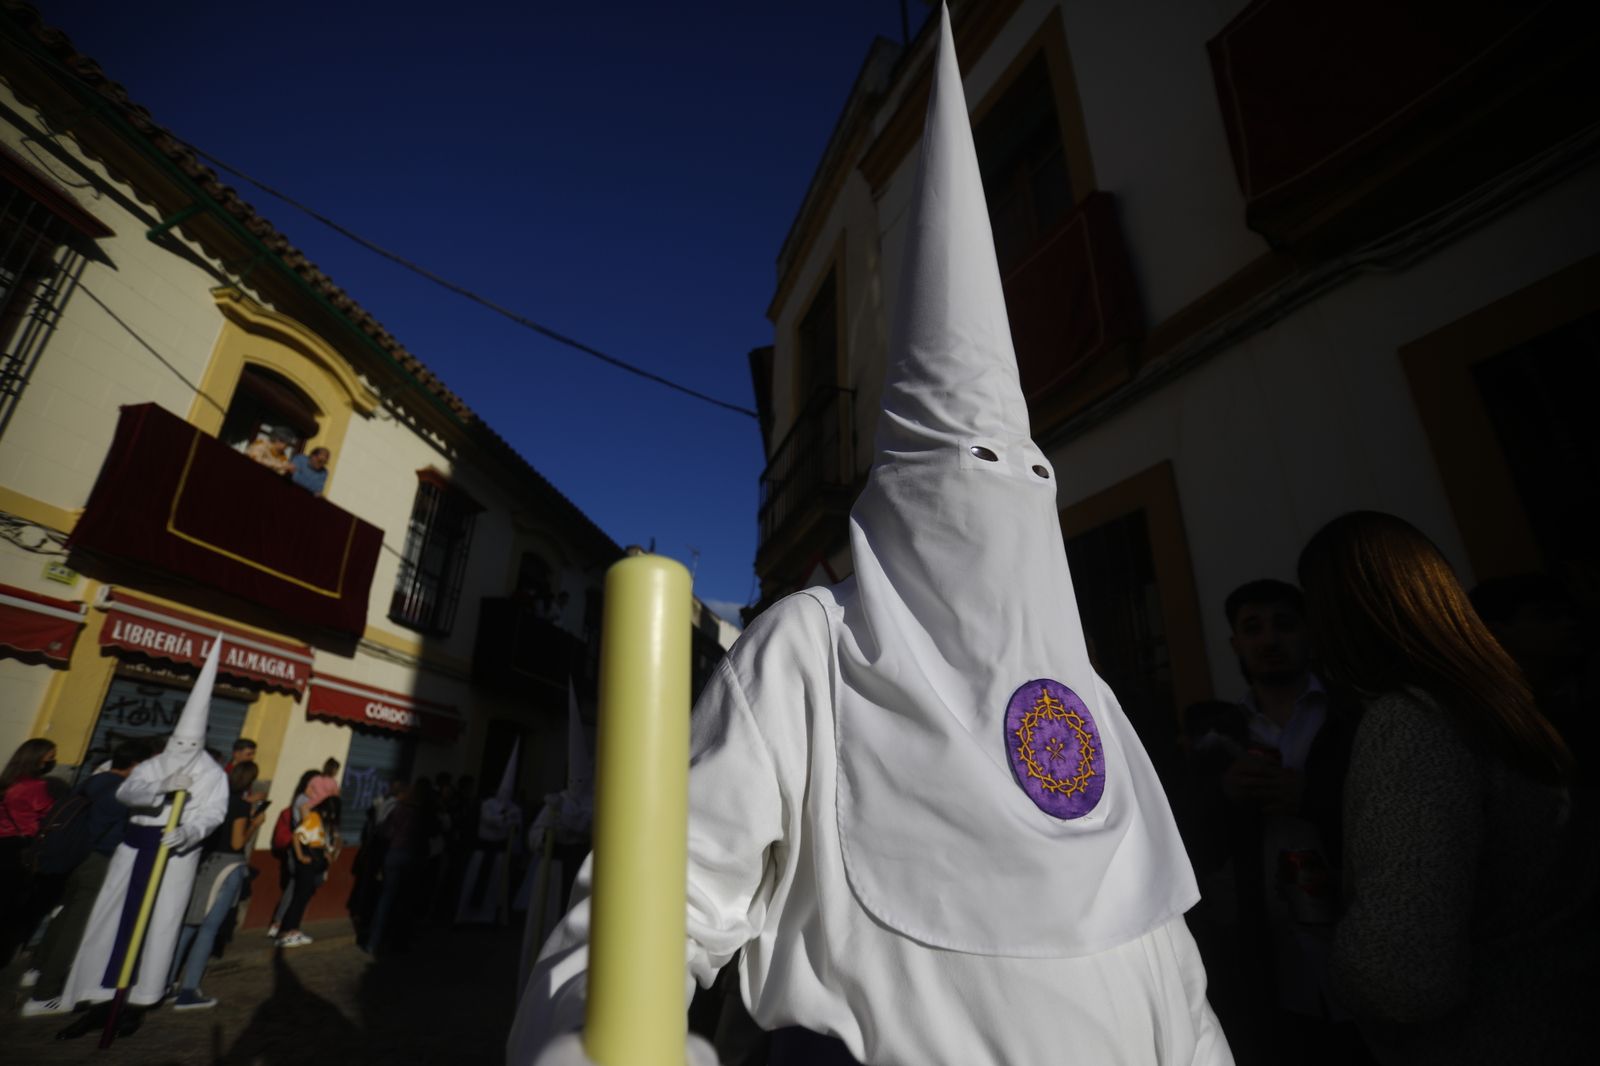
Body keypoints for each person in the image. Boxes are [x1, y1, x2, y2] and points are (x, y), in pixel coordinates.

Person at [512, 10, 1229, 1064]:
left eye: (1028, 477)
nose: (1005, 499)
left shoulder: (1083, 694)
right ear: (898, 509)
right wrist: (594, 1035)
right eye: (968, 478)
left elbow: (1159, 946)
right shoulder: (811, 646)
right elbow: (659, 900)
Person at [1298, 511, 1592, 1064]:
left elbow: (1402, 973)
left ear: (1340, 612)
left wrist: (1336, 952)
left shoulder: (1413, 722)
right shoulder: (1511, 709)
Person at [1184, 581, 1361, 1064]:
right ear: (1235, 644)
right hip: (1267, 960)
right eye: (1252, 628)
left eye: (1284, 625)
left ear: (1308, 633)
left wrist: (1313, 799)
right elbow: (1194, 842)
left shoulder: (1353, 716)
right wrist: (1225, 795)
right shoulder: (1222, 735)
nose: (1269, 640)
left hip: (1362, 940)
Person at [56, 641, 229, 1023]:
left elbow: (214, 813)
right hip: (134, 849)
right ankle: (97, 990)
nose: (183, 748)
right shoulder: (155, 765)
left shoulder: (213, 774)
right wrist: (161, 787)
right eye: (178, 742)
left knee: (160, 921)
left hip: (175, 854)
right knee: (114, 916)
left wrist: (187, 834)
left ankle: (142, 993)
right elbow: (126, 791)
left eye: (190, 743)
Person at [22, 739, 151, 1017]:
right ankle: (45, 993)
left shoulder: (96, 780)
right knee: (76, 924)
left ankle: (38, 968)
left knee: (65, 915)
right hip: (97, 859)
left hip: (74, 856)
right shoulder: (120, 791)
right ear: (136, 765)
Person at [165, 760, 269, 1008]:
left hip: (205, 863)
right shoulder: (240, 807)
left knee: (189, 924)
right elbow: (236, 842)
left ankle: (166, 982)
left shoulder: (216, 799)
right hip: (227, 867)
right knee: (208, 928)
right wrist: (254, 824)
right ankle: (189, 990)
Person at [0, 738, 58, 966]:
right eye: (50, 757)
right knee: (10, 906)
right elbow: (49, 815)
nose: (52, 761)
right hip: (17, 849)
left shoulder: (6, 781)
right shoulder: (35, 788)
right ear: (38, 759)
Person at [457, 742, 521, 925]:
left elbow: (514, 825)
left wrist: (506, 820)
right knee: (473, 883)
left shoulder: (513, 808)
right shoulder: (488, 805)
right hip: (482, 852)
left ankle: (487, 917)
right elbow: (493, 822)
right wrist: (504, 819)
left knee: (493, 888)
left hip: (500, 854)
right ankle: (464, 916)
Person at [274, 774, 336, 947]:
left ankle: (290, 929)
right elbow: (298, 834)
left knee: (302, 895)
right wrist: (301, 855)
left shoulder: (313, 814)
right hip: (307, 857)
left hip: (313, 854)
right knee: (300, 896)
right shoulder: (310, 812)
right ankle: (286, 930)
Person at [266, 768, 320, 938]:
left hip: (300, 850)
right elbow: (306, 828)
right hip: (302, 850)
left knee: (294, 887)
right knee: (298, 889)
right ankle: (286, 927)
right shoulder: (305, 802)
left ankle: (280, 923)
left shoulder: (302, 800)